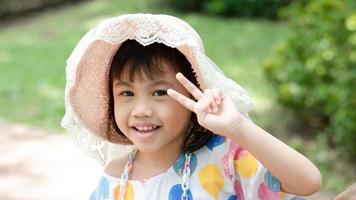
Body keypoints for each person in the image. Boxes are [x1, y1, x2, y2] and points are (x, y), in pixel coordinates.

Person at [61, 14, 322, 200]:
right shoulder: (116, 181)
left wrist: (238, 128)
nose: (141, 109)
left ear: (194, 96)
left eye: (160, 92)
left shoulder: (224, 158)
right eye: (127, 93)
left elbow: (308, 182)